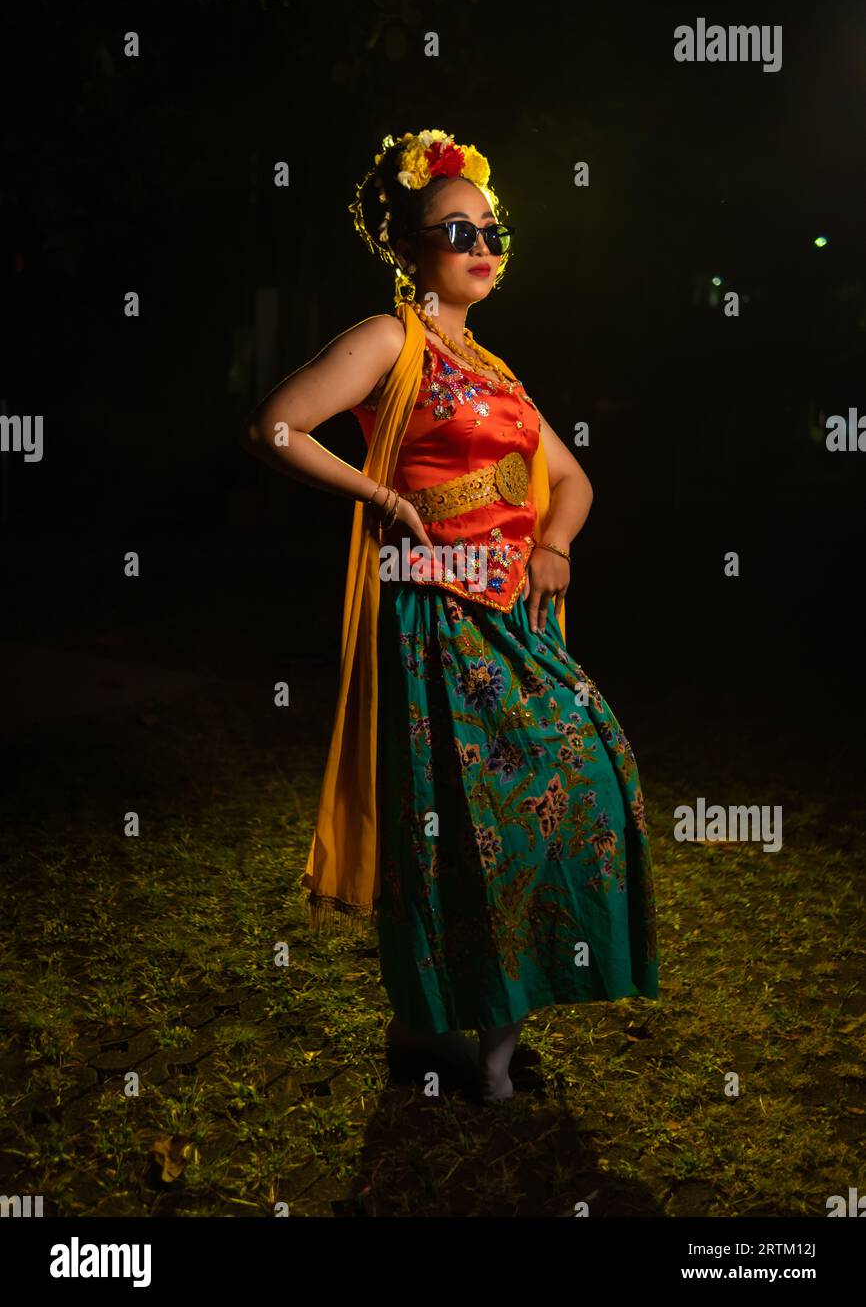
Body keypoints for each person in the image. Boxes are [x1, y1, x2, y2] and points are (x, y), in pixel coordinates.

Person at [240, 129, 659, 1103]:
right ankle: (466, 1045)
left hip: (518, 622)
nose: (481, 243)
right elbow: (273, 424)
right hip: (436, 622)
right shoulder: (392, 340)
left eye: (492, 227)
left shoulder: (500, 372)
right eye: (454, 228)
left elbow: (572, 478)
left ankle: (451, 1029)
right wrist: (379, 498)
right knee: (466, 829)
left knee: (587, 780)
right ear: (407, 248)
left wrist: (553, 543)